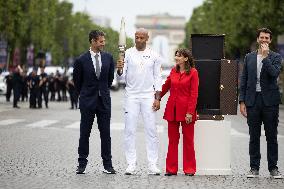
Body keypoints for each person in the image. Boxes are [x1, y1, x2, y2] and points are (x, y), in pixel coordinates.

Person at [116, 28, 163, 175]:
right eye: (137, 37)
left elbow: (158, 77)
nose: (139, 40)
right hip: (132, 95)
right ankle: (131, 164)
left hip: (148, 96)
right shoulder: (127, 53)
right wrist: (119, 69)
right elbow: (120, 76)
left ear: (147, 39)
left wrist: (158, 98)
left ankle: (152, 164)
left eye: (142, 38)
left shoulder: (154, 55)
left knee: (151, 130)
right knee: (129, 130)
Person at [239, 28, 283, 179]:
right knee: (254, 136)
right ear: (257, 39)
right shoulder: (249, 57)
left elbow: (274, 73)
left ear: (270, 41)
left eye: (267, 38)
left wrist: (265, 58)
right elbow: (244, 79)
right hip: (253, 100)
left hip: (270, 102)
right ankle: (254, 168)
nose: (264, 40)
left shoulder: (276, 57)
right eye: (262, 38)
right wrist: (242, 101)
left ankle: (273, 168)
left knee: (271, 136)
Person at [73, 30, 116, 174]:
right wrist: (85, 95)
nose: (104, 43)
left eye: (104, 41)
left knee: (106, 134)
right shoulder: (80, 60)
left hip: (104, 101)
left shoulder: (109, 58)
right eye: (101, 41)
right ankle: (82, 163)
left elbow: (110, 80)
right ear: (92, 41)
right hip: (87, 101)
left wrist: (102, 91)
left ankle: (108, 165)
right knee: (84, 133)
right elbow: (77, 83)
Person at [160, 48, 199, 176]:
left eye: (179, 56)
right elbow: (166, 86)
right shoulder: (173, 71)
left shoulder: (193, 73)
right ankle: (171, 169)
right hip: (172, 110)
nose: (176, 58)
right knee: (172, 140)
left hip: (187, 111)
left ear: (186, 58)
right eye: (176, 55)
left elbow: (194, 94)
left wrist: (190, 112)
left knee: (188, 141)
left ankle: (189, 169)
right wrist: (157, 97)